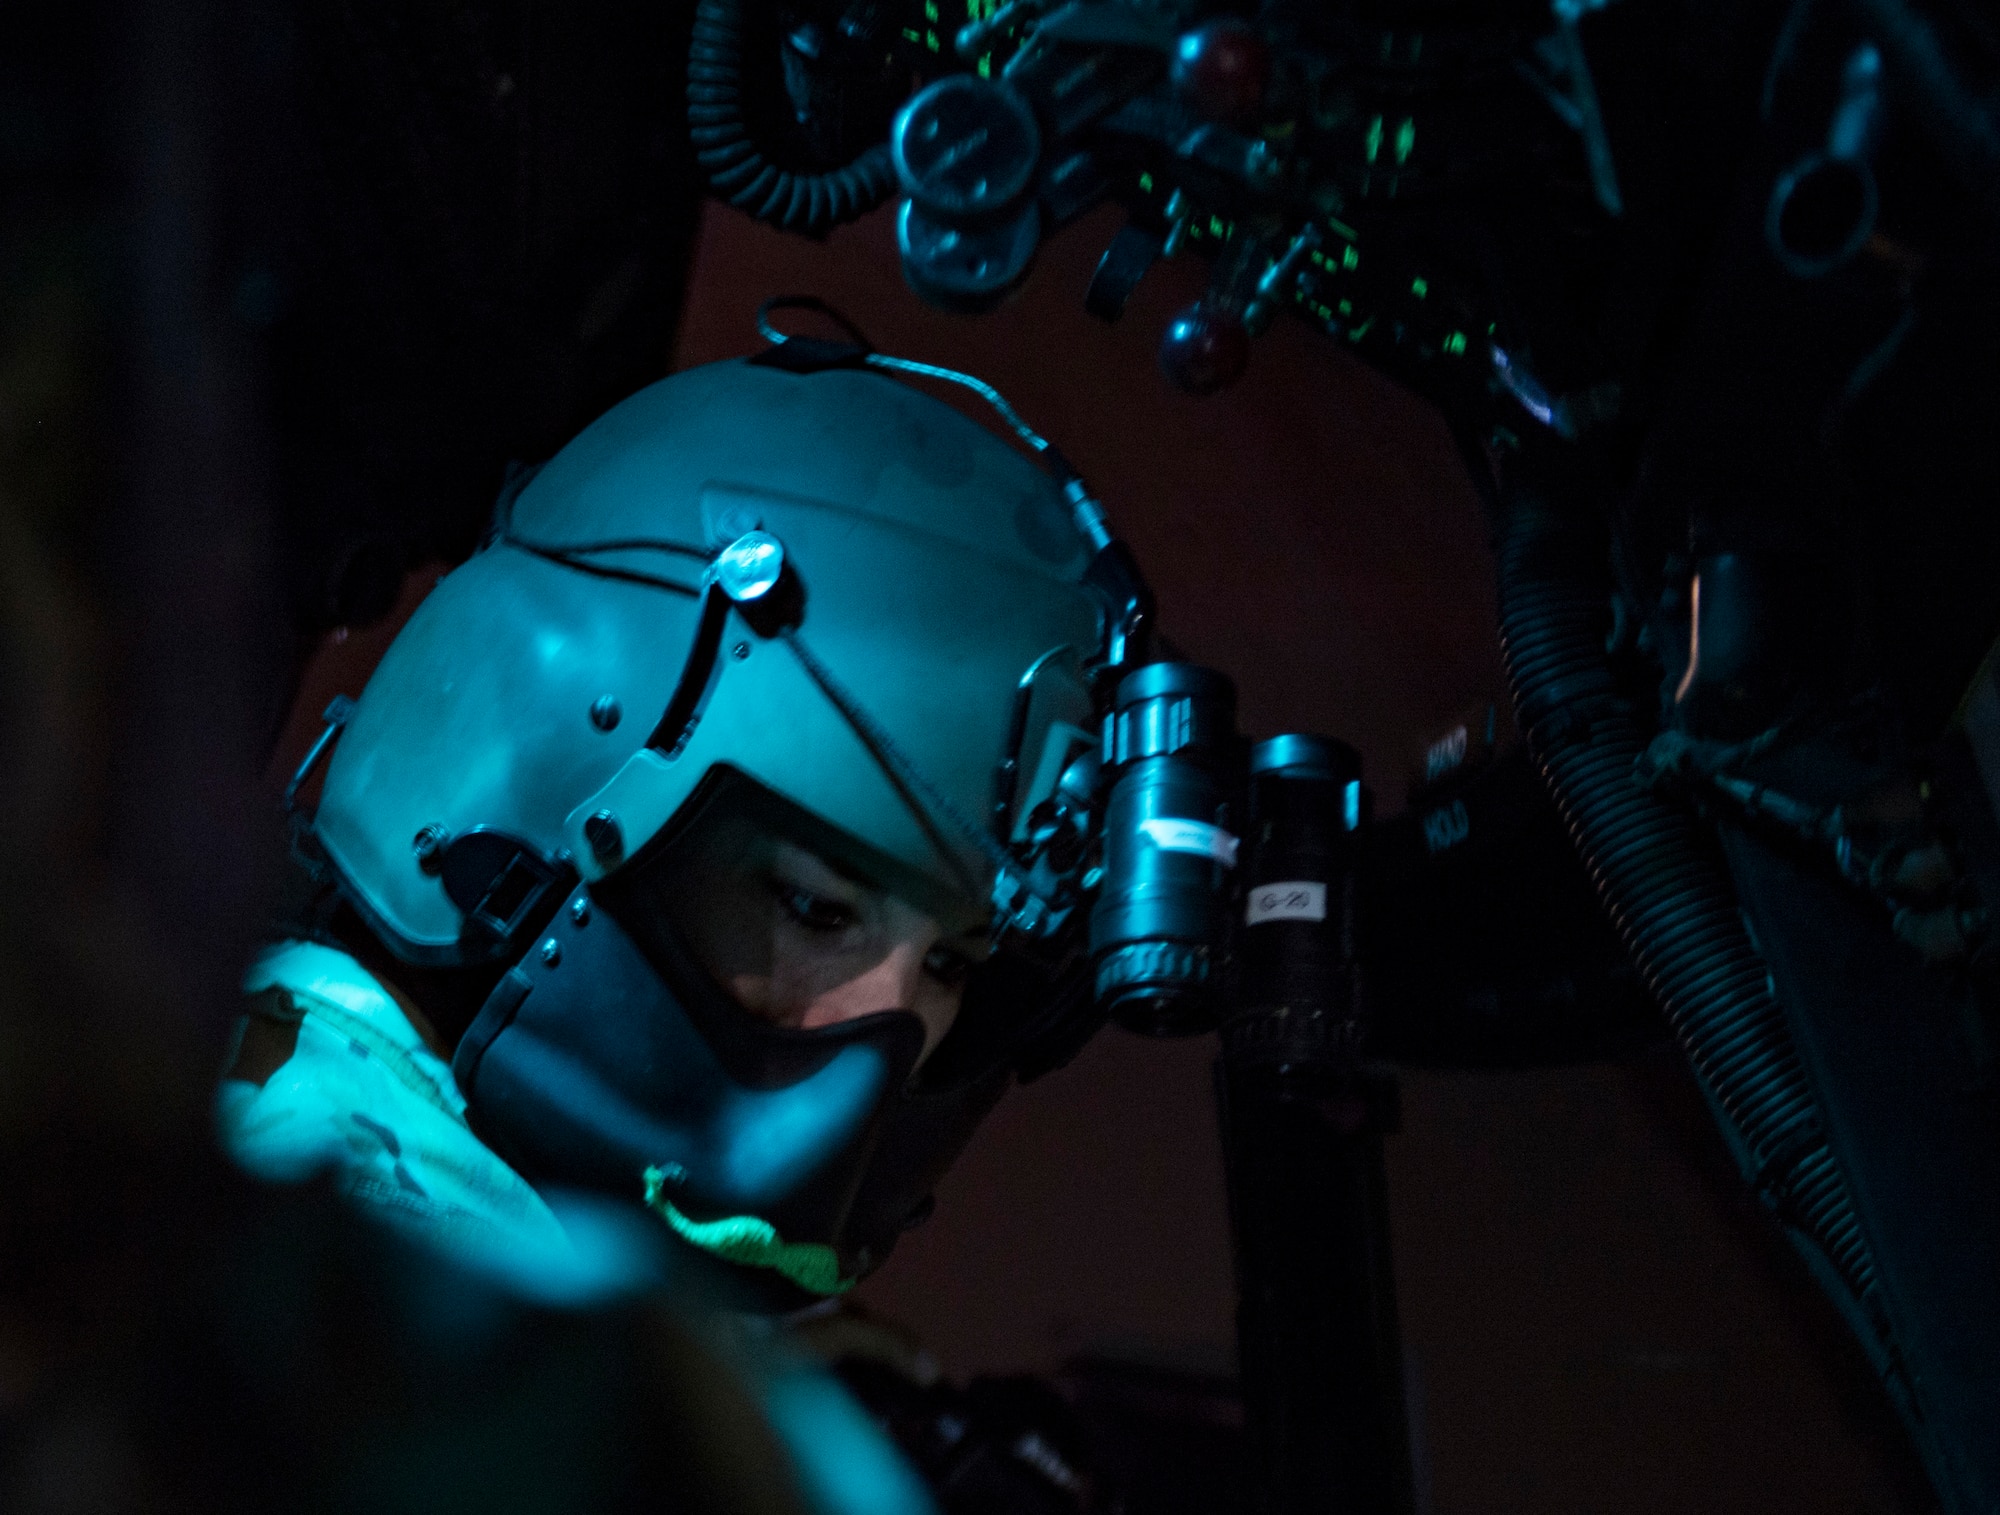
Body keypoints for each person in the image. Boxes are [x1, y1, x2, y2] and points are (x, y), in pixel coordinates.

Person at [217, 335, 1120, 1312]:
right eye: (814, 909)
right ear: (538, 771)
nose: (876, 1039)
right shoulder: (340, 1239)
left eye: (948, 964)